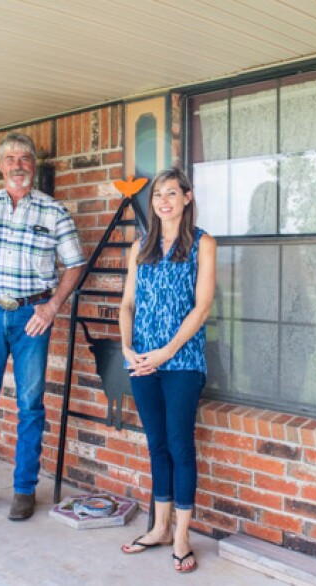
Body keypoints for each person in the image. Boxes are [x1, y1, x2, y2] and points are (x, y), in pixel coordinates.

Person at [0, 132, 85, 521]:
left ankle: (24, 490)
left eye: (24, 158)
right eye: (10, 159)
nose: (17, 165)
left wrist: (52, 306)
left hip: (32, 319)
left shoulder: (54, 212)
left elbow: (75, 264)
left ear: (33, 165)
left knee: (30, 406)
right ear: (1, 166)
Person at [118, 168, 217, 573]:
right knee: (156, 444)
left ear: (187, 198)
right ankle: (159, 528)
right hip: (141, 361)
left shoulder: (202, 244)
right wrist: (127, 347)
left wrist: (166, 353)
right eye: (158, 194)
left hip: (182, 362)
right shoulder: (140, 246)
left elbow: (202, 306)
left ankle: (181, 535)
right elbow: (127, 304)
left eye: (172, 193)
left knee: (179, 446)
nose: (163, 201)